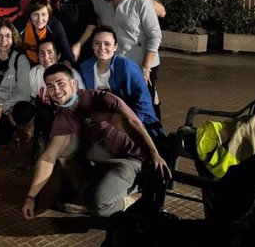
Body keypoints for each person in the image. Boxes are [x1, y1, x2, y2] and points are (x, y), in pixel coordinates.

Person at [21, 64, 171, 219]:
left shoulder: (97, 101)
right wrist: (30, 197)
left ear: (74, 83)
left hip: (132, 159)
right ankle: (87, 189)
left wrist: (153, 154)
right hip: (105, 156)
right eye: (50, 86)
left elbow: (131, 123)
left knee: (99, 206)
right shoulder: (62, 115)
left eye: (61, 83)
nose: (56, 90)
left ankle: (131, 201)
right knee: (63, 147)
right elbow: (48, 158)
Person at [92, 0, 163, 119]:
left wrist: (146, 68)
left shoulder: (140, 1)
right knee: (122, 108)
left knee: (146, 107)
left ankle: (156, 139)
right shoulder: (99, 2)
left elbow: (155, 35)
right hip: (117, 64)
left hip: (142, 64)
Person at [79, 26, 164, 139]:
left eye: (107, 44)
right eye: (97, 43)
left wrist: (127, 127)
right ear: (92, 45)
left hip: (134, 121)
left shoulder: (127, 67)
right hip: (103, 123)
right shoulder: (85, 68)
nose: (102, 47)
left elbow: (143, 104)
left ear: (115, 47)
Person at [11, 39, 85, 159]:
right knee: (22, 108)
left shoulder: (71, 75)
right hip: (43, 114)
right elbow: (34, 98)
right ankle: (30, 139)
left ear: (58, 55)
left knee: (44, 110)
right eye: (42, 53)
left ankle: (50, 146)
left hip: (66, 117)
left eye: (50, 52)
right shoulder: (34, 73)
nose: (46, 57)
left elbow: (80, 105)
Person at [0, 20, 31, 147]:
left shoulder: (20, 59)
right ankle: (11, 130)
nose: (3, 40)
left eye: (8, 35)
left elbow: (25, 93)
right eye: (0, 35)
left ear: (14, 38)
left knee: (25, 111)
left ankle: (20, 126)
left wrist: (3, 107)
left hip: (12, 106)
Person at [40, 0, 98, 64]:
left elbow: (92, 23)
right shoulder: (41, 2)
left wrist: (79, 45)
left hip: (83, 49)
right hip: (57, 55)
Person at [13, 0, 74, 65]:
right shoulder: (21, 25)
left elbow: (67, 52)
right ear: (30, 16)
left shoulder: (55, 25)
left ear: (49, 16)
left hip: (49, 62)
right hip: (27, 63)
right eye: (35, 15)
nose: (40, 19)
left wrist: (67, 66)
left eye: (43, 14)